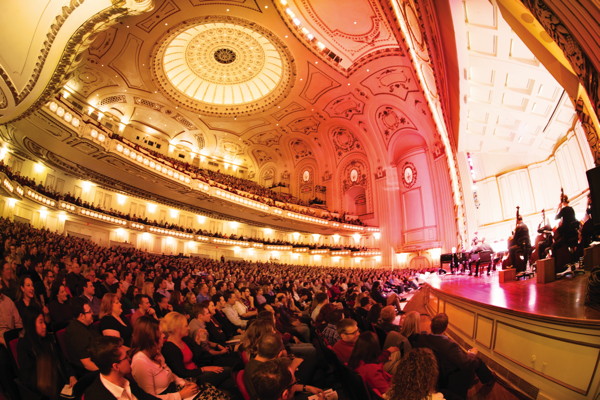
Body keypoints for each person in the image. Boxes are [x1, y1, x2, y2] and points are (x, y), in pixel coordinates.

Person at [412, 313, 494, 400]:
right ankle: (490, 378)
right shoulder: (449, 345)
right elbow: (465, 362)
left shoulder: (421, 338)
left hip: (432, 374)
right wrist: (472, 354)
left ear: (431, 326)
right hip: (446, 378)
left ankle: (485, 377)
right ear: (446, 328)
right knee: (475, 360)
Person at [130, 315, 199, 400]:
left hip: (174, 391)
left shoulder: (155, 351)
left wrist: (184, 383)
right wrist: (180, 395)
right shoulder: (140, 362)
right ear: (151, 337)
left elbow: (169, 373)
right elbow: (150, 398)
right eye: (161, 333)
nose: (163, 336)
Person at [17, 312, 77, 399]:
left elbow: (62, 360)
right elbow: (29, 378)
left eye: (44, 322)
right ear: (31, 325)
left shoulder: (49, 338)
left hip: (64, 383)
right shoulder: (24, 345)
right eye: (40, 322)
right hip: (45, 392)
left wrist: (71, 375)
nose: (44, 326)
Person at [84, 335, 161, 400]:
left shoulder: (125, 380)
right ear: (116, 366)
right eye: (126, 357)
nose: (129, 359)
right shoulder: (95, 396)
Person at [65, 297, 99, 377]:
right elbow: (87, 364)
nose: (93, 313)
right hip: (88, 374)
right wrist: (107, 372)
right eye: (89, 312)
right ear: (81, 316)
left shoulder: (88, 325)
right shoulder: (76, 332)